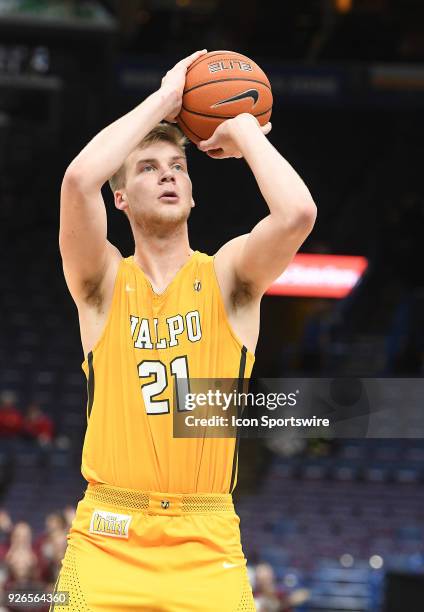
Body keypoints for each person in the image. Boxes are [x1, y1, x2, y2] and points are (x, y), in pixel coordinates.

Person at [52, 49, 316, 611]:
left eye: (178, 167)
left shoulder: (228, 276)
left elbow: (296, 214)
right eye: (148, 168)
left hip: (206, 536)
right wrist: (166, 103)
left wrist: (243, 128)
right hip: (107, 535)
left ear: (193, 192)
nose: (167, 175)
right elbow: (78, 181)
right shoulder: (100, 280)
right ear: (119, 197)